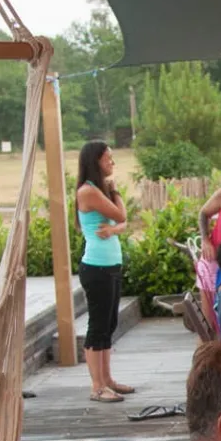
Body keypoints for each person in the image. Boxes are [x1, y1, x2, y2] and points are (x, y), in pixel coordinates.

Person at [74, 141, 135, 403]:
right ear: (95, 161)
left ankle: (108, 379)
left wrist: (114, 229)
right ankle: (97, 387)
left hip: (111, 265)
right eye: (108, 158)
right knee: (97, 326)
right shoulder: (88, 191)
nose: (112, 162)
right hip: (96, 267)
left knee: (109, 324)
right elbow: (121, 216)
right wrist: (116, 191)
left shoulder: (99, 190)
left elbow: (121, 225)